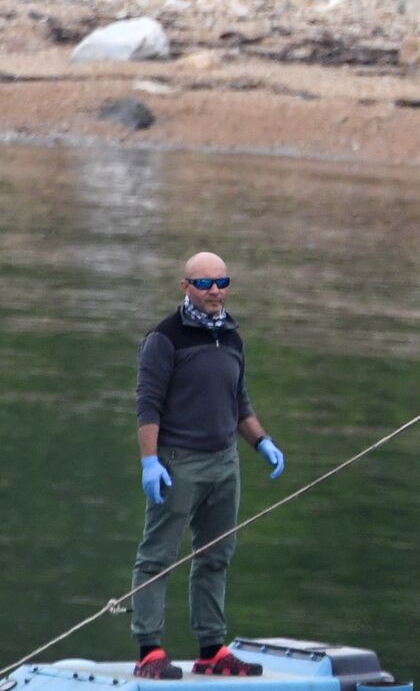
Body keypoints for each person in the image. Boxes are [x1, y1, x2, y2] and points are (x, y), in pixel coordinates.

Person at [131, 251, 286, 679]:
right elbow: (147, 404)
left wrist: (262, 442)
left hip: (224, 462)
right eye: (203, 283)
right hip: (178, 461)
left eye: (222, 282)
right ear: (186, 287)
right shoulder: (165, 337)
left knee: (216, 556)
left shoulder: (232, 337)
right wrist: (150, 461)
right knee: (157, 557)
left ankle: (211, 650)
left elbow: (240, 402)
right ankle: (149, 651)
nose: (214, 290)